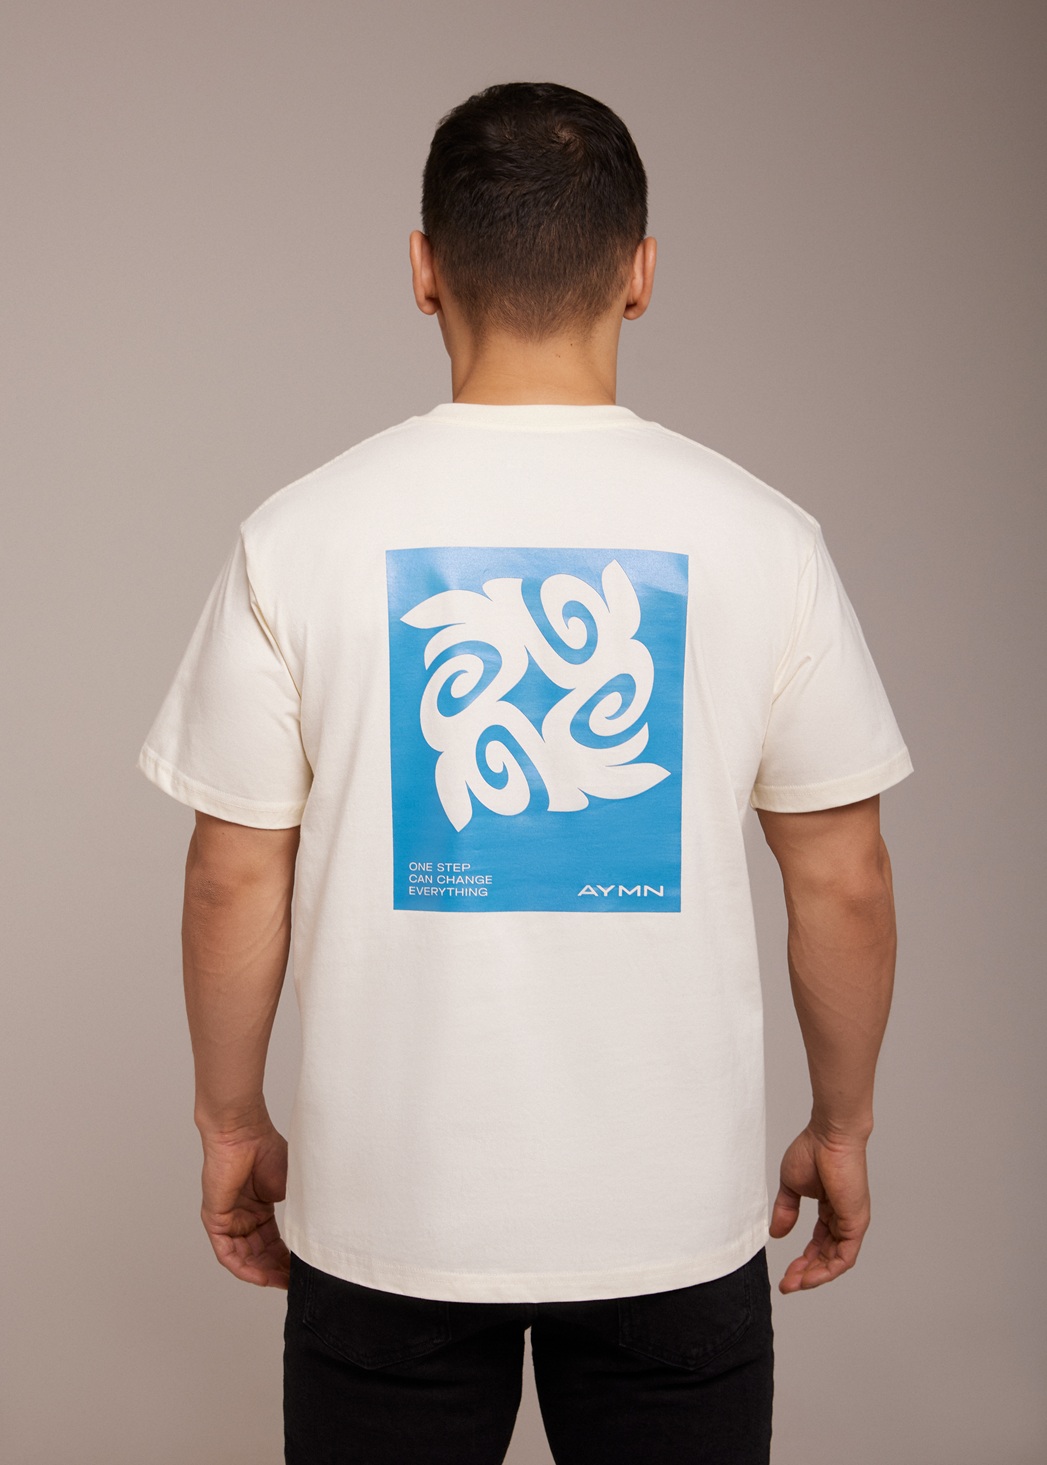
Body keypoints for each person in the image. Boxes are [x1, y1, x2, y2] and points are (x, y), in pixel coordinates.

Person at [137, 81, 912, 1465]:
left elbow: (230, 875)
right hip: (674, 1219)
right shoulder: (763, 537)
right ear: (642, 273)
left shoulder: (299, 535)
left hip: (389, 1216)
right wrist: (841, 1124)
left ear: (423, 268)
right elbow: (843, 877)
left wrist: (231, 1118)